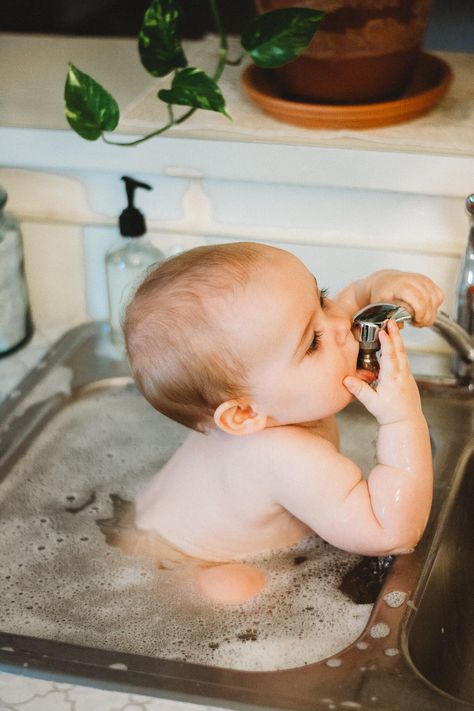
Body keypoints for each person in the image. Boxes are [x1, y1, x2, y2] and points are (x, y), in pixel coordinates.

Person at [122, 242, 443, 605]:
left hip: (143, 526)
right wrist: (403, 417)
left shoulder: (266, 394)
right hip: (183, 564)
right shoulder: (282, 455)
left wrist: (379, 287)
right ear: (244, 415)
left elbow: (344, 305)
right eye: (313, 343)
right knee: (240, 593)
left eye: (320, 298)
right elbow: (391, 532)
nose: (342, 324)